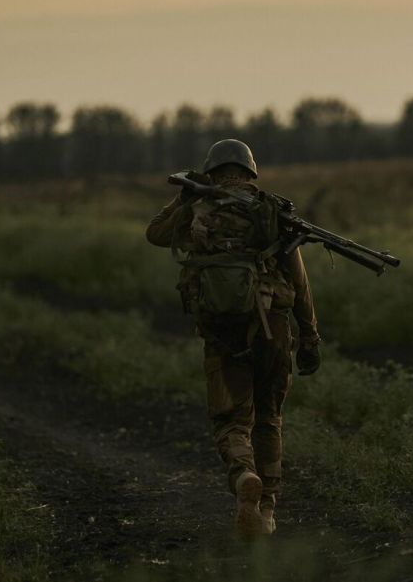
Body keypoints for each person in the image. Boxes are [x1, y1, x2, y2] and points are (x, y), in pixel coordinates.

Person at [145, 139, 322, 539]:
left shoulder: (198, 207)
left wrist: (183, 198)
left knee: (230, 419)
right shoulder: (271, 209)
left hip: (222, 330)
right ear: (250, 172)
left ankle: (244, 476)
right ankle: (268, 510)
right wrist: (310, 335)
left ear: (211, 171)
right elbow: (299, 282)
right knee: (269, 416)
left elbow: (155, 233)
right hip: (273, 326)